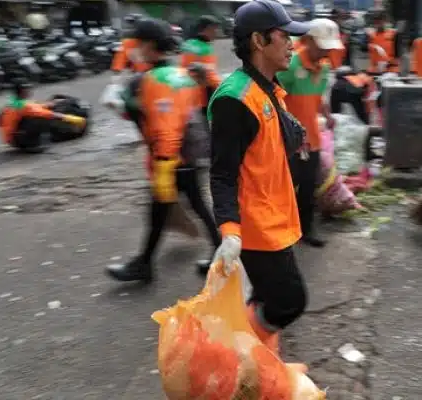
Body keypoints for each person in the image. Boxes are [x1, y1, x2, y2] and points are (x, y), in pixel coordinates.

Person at [207, 0, 310, 371]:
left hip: (276, 218)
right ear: (258, 41)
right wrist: (229, 233)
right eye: (284, 36)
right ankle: (232, 359)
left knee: (269, 298)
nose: (292, 45)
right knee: (289, 302)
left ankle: (260, 370)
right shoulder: (235, 100)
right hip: (256, 228)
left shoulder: (266, 88)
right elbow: (222, 174)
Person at [106, 18, 221, 282]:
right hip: (189, 153)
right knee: (190, 206)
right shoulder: (178, 74)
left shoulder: (155, 79)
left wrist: (164, 163)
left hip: (173, 157)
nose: (134, 49)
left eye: (137, 44)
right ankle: (217, 252)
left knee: (166, 209)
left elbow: (167, 126)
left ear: (148, 46)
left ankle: (144, 264)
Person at [277, 18, 342, 248]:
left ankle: (306, 229)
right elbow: (275, 99)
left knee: (308, 186)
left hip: (311, 138)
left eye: (328, 47)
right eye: (322, 46)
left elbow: (319, 96)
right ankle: (280, 230)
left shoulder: (323, 67)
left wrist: (328, 114)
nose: (326, 51)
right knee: (284, 186)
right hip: (288, 139)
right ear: (309, 40)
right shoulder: (290, 64)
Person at [0, 81, 86, 153]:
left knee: (40, 116)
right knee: (42, 119)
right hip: (18, 139)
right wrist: (74, 119)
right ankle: (32, 145)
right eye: (27, 89)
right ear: (23, 91)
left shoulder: (14, 103)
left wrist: (52, 103)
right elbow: (47, 114)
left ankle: (34, 141)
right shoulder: (23, 105)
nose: (29, 91)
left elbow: (35, 107)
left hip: (13, 138)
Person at [180, 15, 222, 110]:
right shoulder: (205, 48)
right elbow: (210, 77)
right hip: (202, 98)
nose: (216, 33)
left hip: (186, 93)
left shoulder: (187, 44)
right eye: (214, 29)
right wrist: (223, 88)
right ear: (206, 29)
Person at [110, 14, 151, 79]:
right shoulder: (127, 42)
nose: (133, 27)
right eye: (132, 25)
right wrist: (116, 72)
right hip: (137, 75)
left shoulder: (151, 40)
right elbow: (120, 58)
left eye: (135, 24)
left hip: (153, 74)